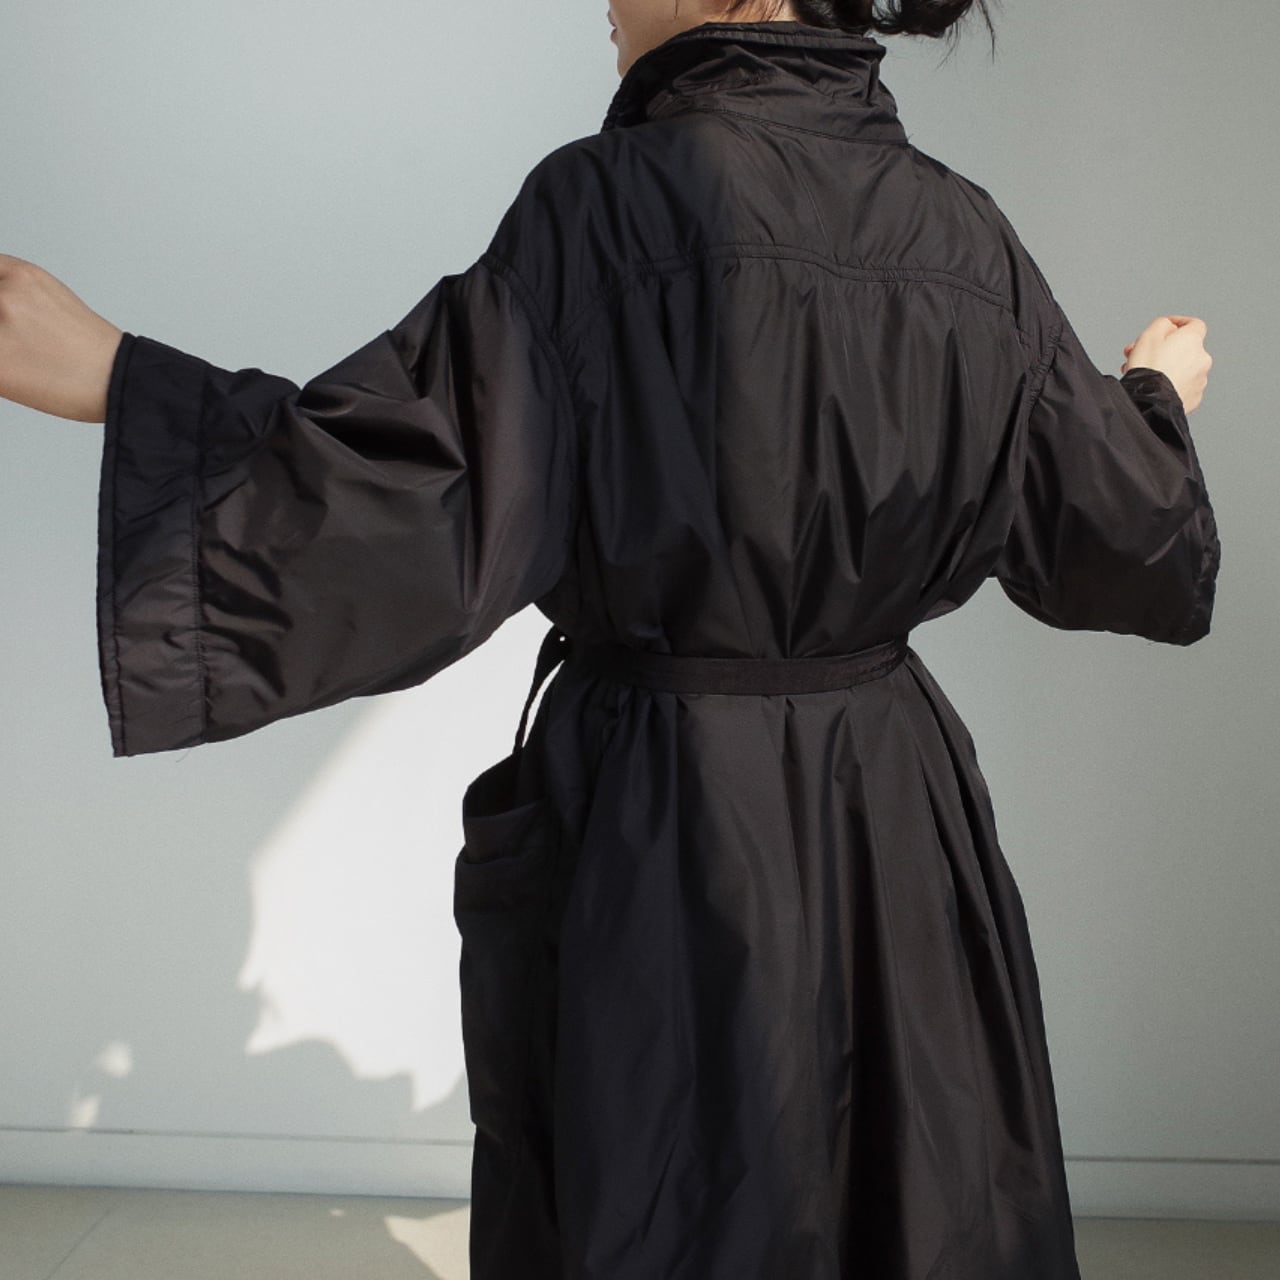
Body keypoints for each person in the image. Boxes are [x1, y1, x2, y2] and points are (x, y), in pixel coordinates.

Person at [0, 0, 1218, 1276]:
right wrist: (1148, 399)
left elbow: (420, 494)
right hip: (893, 821)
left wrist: (118, 375)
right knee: (907, 1195)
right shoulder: (960, 230)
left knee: (660, 1193)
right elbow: (1117, 533)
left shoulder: (603, 206)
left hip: (664, 816)